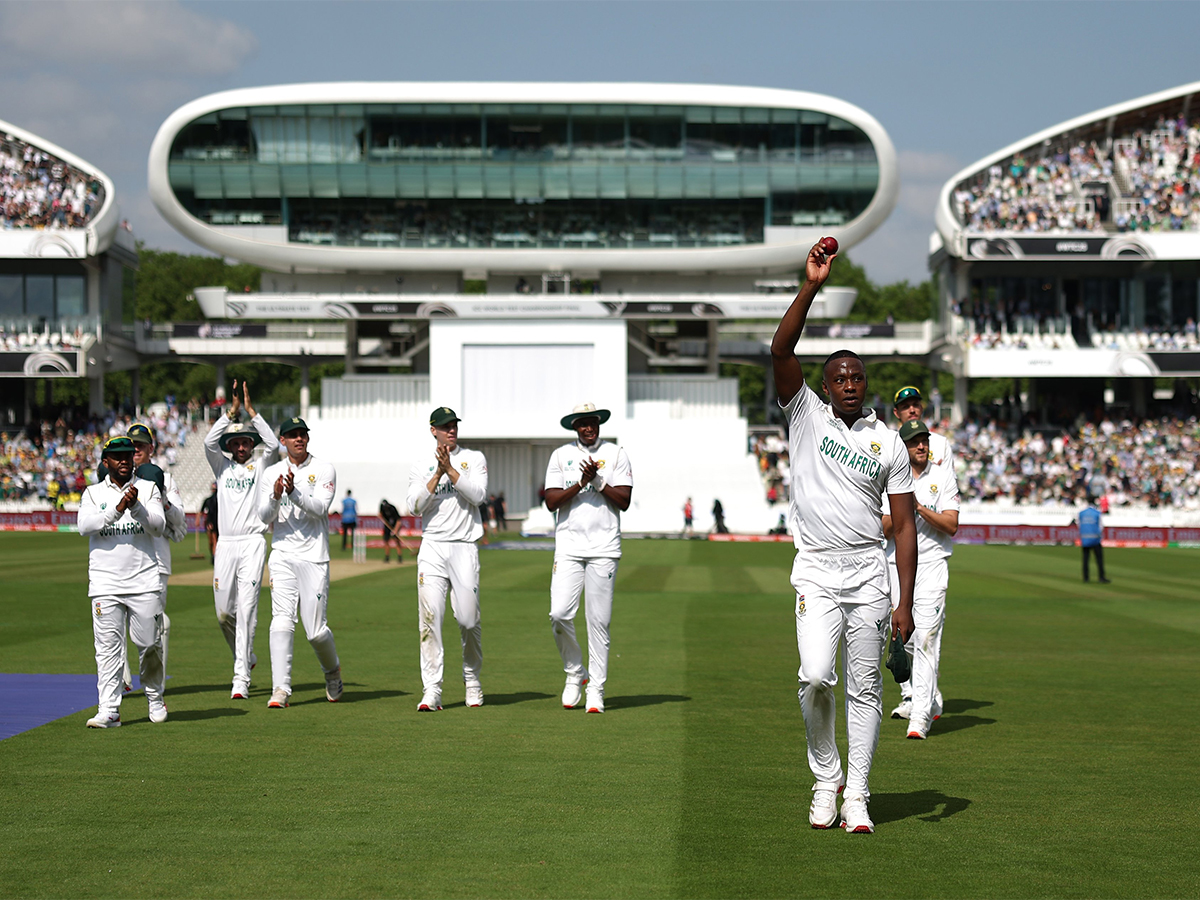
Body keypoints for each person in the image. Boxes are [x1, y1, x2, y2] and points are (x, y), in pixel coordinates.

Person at [771, 239, 917, 834]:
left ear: (865, 384)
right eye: (840, 376)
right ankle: (824, 775)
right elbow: (781, 348)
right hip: (816, 567)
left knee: (864, 689)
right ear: (826, 386)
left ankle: (855, 793)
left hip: (867, 571)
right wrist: (811, 284)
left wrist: (905, 599)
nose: (850, 382)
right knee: (813, 676)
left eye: (858, 374)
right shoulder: (804, 415)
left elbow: (904, 525)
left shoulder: (888, 442)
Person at [543, 402, 634, 714]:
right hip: (568, 545)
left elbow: (624, 501)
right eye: (582, 423)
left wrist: (598, 480)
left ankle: (596, 688)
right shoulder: (560, 456)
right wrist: (581, 482)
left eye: (592, 422)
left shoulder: (616, 454)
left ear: (599, 424)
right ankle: (574, 671)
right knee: (558, 614)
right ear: (574, 426)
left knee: (599, 622)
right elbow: (551, 502)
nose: (588, 427)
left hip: (604, 547)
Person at [77, 436, 168, 728]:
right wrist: (117, 509)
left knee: (150, 644)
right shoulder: (92, 493)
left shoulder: (148, 488)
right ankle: (109, 709)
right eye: (117, 456)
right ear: (106, 462)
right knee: (107, 649)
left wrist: (137, 507)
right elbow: (84, 526)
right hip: (106, 583)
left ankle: (154, 696)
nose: (125, 460)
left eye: (128, 455)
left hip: (144, 581)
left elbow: (158, 526)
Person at [256, 416, 343, 708]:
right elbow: (263, 516)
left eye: (302, 434)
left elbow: (320, 508)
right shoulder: (271, 473)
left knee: (316, 631)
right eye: (292, 435)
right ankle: (280, 689)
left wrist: (293, 492)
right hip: (282, 554)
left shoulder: (323, 469)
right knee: (281, 620)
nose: (299, 439)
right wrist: (276, 495)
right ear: (282, 440)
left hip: (314, 556)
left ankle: (332, 671)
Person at [405, 407, 488, 711]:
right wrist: (437, 473)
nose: (451, 430)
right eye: (444, 426)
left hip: (464, 546)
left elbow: (479, 496)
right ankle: (432, 689)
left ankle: (472, 679)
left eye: (454, 425)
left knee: (468, 619)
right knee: (430, 619)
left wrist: (451, 470)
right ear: (433, 430)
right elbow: (414, 506)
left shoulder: (474, 458)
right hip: (433, 547)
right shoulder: (421, 466)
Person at [881, 421, 959, 740]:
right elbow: (883, 527)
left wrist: (918, 508)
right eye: (914, 442)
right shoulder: (889, 478)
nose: (921, 446)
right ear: (904, 446)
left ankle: (921, 716)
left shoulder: (942, 477)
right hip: (896, 566)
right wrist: (901, 509)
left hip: (932, 566)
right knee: (904, 636)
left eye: (924, 440)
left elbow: (951, 524)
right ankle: (923, 694)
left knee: (926, 637)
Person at [205, 381, 280, 699]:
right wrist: (230, 412)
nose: (239, 447)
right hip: (226, 544)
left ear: (250, 444)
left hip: (252, 542)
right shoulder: (221, 466)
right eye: (234, 443)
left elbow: (275, 445)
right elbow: (209, 443)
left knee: (248, 609)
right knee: (224, 613)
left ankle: (240, 679)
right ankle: (245, 655)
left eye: (244, 443)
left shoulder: (260, 464)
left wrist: (251, 412)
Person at [123, 423, 188, 690]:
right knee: (118, 622)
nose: (135, 450)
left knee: (154, 623)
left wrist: (162, 498)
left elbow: (179, 521)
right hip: (122, 559)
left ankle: (155, 682)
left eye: (140, 445)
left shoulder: (165, 478)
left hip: (156, 562)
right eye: (131, 445)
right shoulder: (114, 477)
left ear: (151, 448)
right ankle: (121, 678)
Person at [892, 386, 954, 467]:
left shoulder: (941, 443)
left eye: (915, 405)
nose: (912, 410)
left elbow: (949, 478)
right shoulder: (890, 443)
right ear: (896, 413)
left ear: (921, 408)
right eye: (905, 407)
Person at [1077, 500, 1109, 583]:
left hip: (1085, 539)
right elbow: (1101, 526)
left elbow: (1079, 525)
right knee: (1099, 559)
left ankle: (1086, 578)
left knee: (1085, 559)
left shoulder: (1081, 513)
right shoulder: (1097, 513)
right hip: (1095, 539)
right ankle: (1101, 577)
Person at [380, 497, 403, 563]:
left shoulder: (392, 508)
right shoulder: (382, 507)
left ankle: (400, 557)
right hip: (387, 525)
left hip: (395, 525)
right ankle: (387, 557)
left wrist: (395, 530)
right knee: (386, 541)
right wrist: (380, 516)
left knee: (396, 541)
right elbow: (380, 514)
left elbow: (399, 521)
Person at [201, 483, 219, 564]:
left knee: (215, 540)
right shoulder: (208, 500)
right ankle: (213, 555)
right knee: (211, 541)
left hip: (217, 522)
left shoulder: (220, 500)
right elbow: (201, 511)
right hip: (209, 522)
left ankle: (214, 557)